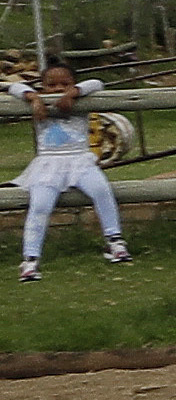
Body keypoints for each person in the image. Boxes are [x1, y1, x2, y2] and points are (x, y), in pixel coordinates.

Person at [17, 63, 125, 280]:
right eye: (52, 85)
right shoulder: (39, 101)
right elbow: (14, 88)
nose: (58, 89)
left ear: (73, 84)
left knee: (101, 190)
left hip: (79, 160)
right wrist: (34, 99)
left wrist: (73, 94)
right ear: (42, 86)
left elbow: (97, 83)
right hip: (48, 164)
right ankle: (30, 260)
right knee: (40, 205)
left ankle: (115, 242)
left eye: (65, 84)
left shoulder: (79, 99)